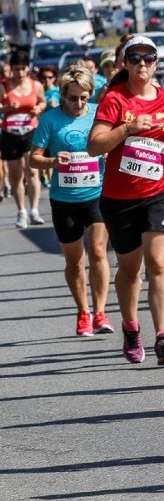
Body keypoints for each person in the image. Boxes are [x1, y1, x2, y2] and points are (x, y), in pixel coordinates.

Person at [87, 36, 164, 366]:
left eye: (148, 59)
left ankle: (163, 335)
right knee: (130, 270)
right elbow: (94, 145)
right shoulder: (115, 99)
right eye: (135, 59)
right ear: (125, 63)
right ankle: (131, 328)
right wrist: (127, 129)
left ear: (157, 63)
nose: (142, 65)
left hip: (161, 190)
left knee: (159, 263)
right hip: (120, 197)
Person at [29, 67, 113, 337]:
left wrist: (109, 155)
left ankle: (100, 312)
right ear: (63, 96)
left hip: (97, 194)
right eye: (73, 98)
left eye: (84, 98)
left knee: (99, 251)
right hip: (64, 199)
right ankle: (83, 312)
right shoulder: (51, 119)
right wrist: (53, 161)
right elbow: (33, 158)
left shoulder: (99, 114)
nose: (79, 104)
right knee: (75, 261)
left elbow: (113, 144)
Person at [0, 49, 47, 228]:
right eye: (16, 69)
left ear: (28, 68)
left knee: (33, 170)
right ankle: (21, 211)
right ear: (11, 69)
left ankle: (34, 210)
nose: (20, 73)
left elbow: (41, 101)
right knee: (15, 175)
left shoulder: (35, 85)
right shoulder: (4, 86)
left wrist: (39, 108)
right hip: (10, 133)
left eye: (23, 69)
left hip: (30, 131)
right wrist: (6, 109)